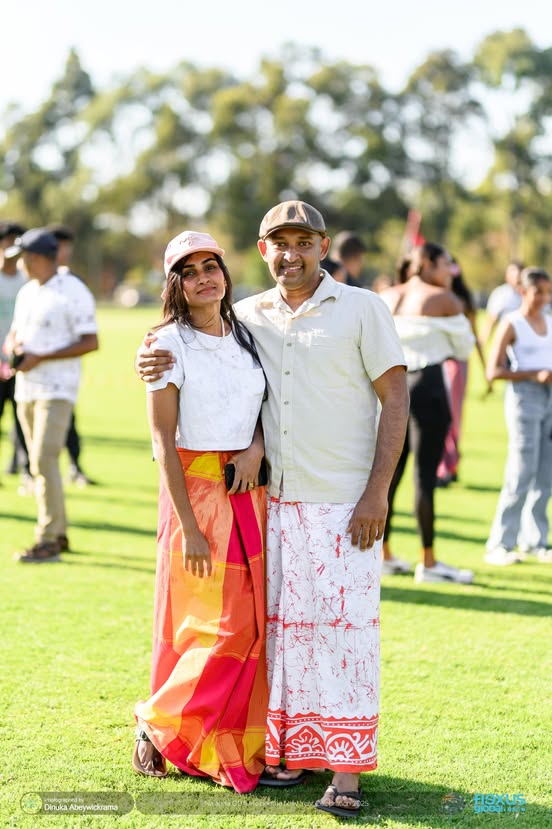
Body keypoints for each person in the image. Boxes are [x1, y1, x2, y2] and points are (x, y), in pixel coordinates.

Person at [137, 201, 409, 817]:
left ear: (324, 245)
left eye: (303, 242)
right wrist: (147, 356)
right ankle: (288, 752)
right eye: (278, 243)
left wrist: (377, 492)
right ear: (262, 250)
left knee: (346, 636)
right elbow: (230, 387)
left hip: (344, 501)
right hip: (266, 504)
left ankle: (347, 772)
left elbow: (395, 397)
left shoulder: (364, 308)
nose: (291, 254)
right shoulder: (249, 317)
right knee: (278, 637)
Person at [133, 231, 269, 792]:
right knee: (214, 627)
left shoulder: (245, 335)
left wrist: (257, 449)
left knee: (255, 625)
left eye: (210, 266)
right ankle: (156, 721)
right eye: (189, 272)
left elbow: (263, 409)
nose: (204, 278)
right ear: (176, 285)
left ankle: (220, 736)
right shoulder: (167, 344)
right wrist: (188, 526)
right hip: (198, 495)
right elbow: (163, 441)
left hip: (250, 492)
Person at [379, 242, 475, 582]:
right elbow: (464, 346)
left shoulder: (387, 296)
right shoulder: (443, 299)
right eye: (447, 264)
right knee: (424, 479)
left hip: (389, 391)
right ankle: (429, 562)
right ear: (431, 263)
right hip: (428, 386)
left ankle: (384, 554)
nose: (451, 271)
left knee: (387, 477)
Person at [4, 228, 98, 562]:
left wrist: (41, 357)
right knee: (37, 462)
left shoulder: (73, 290)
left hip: (57, 389)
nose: (21, 264)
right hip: (26, 388)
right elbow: (15, 332)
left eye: (24, 258)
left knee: (44, 460)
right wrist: (13, 347)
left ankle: (47, 537)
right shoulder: (29, 291)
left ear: (40, 257)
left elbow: (90, 341)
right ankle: (58, 533)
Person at [485, 267, 552, 565]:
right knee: (521, 470)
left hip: (549, 398)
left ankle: (535, 541)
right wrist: (533, 375)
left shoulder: (549, 321)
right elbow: (493, 371)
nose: (545, 298)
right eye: (539, 292)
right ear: (523, 292)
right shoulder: (511, 323)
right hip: (525, 398)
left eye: (548, 292)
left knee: (545, 472)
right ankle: (500, 543)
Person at [49, 224, 97, 486]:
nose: (63, 251)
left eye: (67, 246)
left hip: (63, 371)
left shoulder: (73, 283)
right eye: (59, 246)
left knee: (69, 422)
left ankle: (75, 468)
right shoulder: (33, 283)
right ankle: (21, 468)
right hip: (28, 369)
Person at [436, 260, 490, 487]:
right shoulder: (440, 297)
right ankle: (447, 464)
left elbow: (474, 335)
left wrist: (486, 368)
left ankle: (448, 465)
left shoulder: (459, 301)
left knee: (453, 416)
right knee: (444, 415)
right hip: (439, 361)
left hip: (456, 363)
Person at [0, 221, 31, 489]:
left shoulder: (27, 282)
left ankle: (26, 472)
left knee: (22, 421)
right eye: (7, 241)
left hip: (19, 363)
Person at [480, 261, 523, 345]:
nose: (516, 278)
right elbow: (491, 320)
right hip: (506, 342)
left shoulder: (530, 293)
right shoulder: (500, 294)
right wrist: (483, 343)